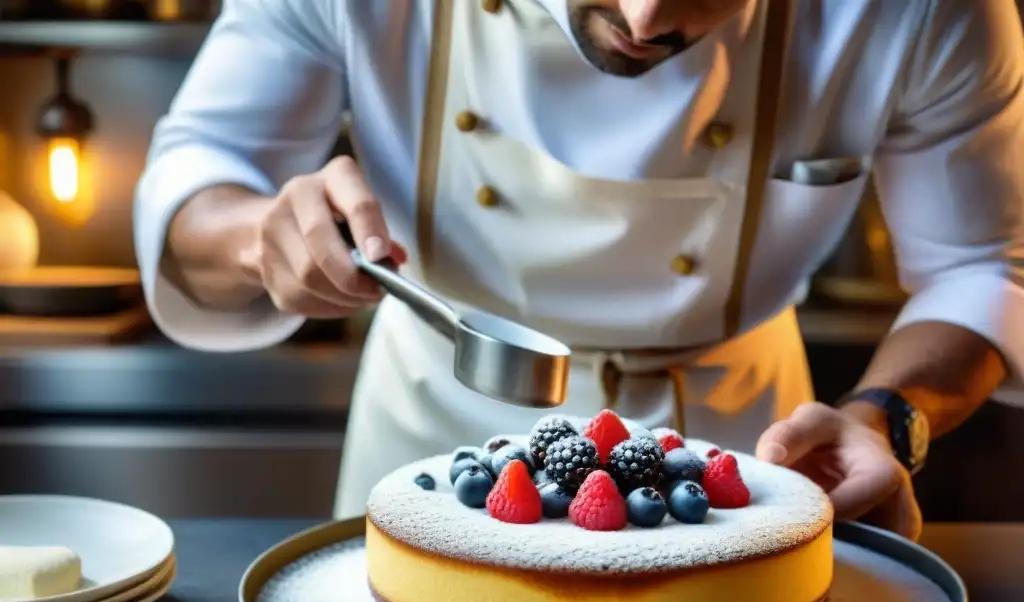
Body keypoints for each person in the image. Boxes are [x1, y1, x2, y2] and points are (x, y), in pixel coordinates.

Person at [134, 0, 1024, 540]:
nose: (645, 23)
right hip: (428, 433)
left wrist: (886, 418)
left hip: (744, 458)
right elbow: (204, 170)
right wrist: (260, 236)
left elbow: (989, 266)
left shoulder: (922, 9)